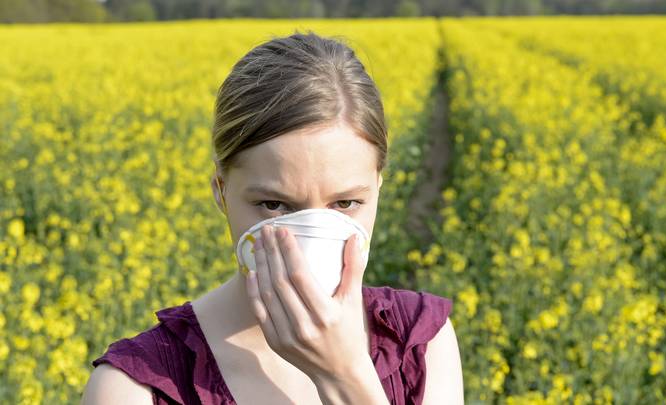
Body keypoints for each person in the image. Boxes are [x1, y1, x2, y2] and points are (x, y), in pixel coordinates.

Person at [81, 30, 463, 405]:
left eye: (345, 204)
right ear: (221, 190)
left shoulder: (422, 344)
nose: (309, 240)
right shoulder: (135, 390)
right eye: (274, 205)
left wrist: (344, 377)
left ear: (377, 188)